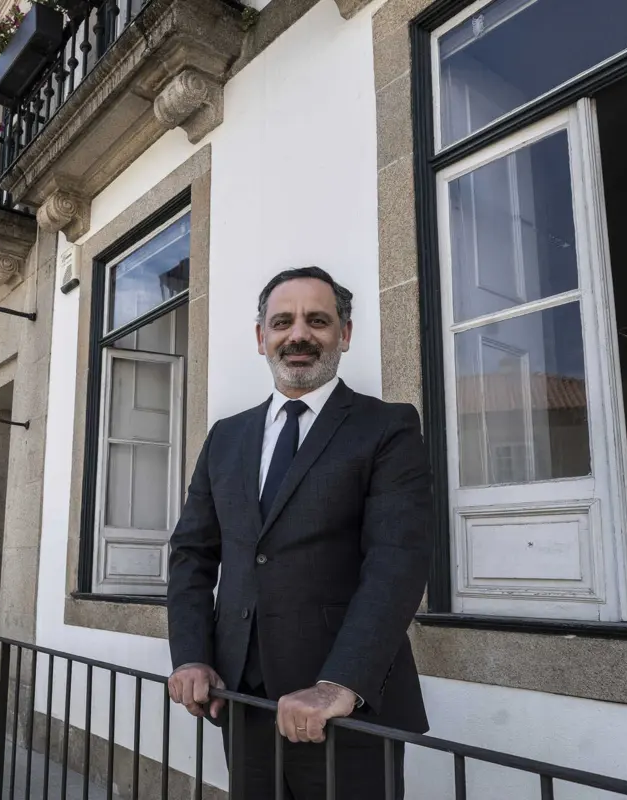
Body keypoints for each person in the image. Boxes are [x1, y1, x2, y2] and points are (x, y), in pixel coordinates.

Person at [166, 266, 434, 799]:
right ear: (261, 336)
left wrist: (341, 683)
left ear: (345, 334)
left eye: (318, 320)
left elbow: (397, 560)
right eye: (282, 321)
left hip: (346, 707)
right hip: (242, 700)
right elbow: (192, 553)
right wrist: (192, 654)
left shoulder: (388, 427)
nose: (299, 335)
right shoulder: (226, 437)